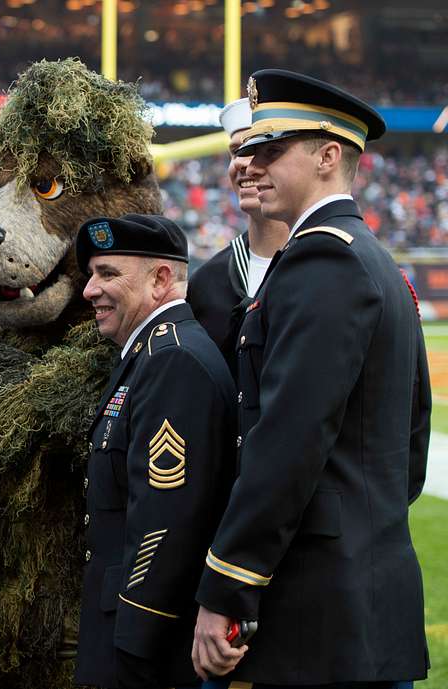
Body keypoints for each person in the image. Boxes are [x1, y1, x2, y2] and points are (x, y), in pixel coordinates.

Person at [192, 69, 430, 686]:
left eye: (271, 150)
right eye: (246, 149)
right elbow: (411, 445)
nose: (249, 162)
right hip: (358, 601)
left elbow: (287, 442)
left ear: (328, 156)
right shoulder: (370, 260)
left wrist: (229, 582)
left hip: (319, 614)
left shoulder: (320, 258)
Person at [73, 214, 236, 688]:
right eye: (91, 275)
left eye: (107, 274)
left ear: (161, 279)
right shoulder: (150, 354)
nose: (90, 290)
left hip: (142, 639)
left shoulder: (173, 360)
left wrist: (137, 634)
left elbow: (167, 519)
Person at [186, 98, 288, 369]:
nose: (244, 162)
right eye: (236, 151)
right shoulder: (206, 283)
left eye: (265, 149)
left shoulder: (330, 266)